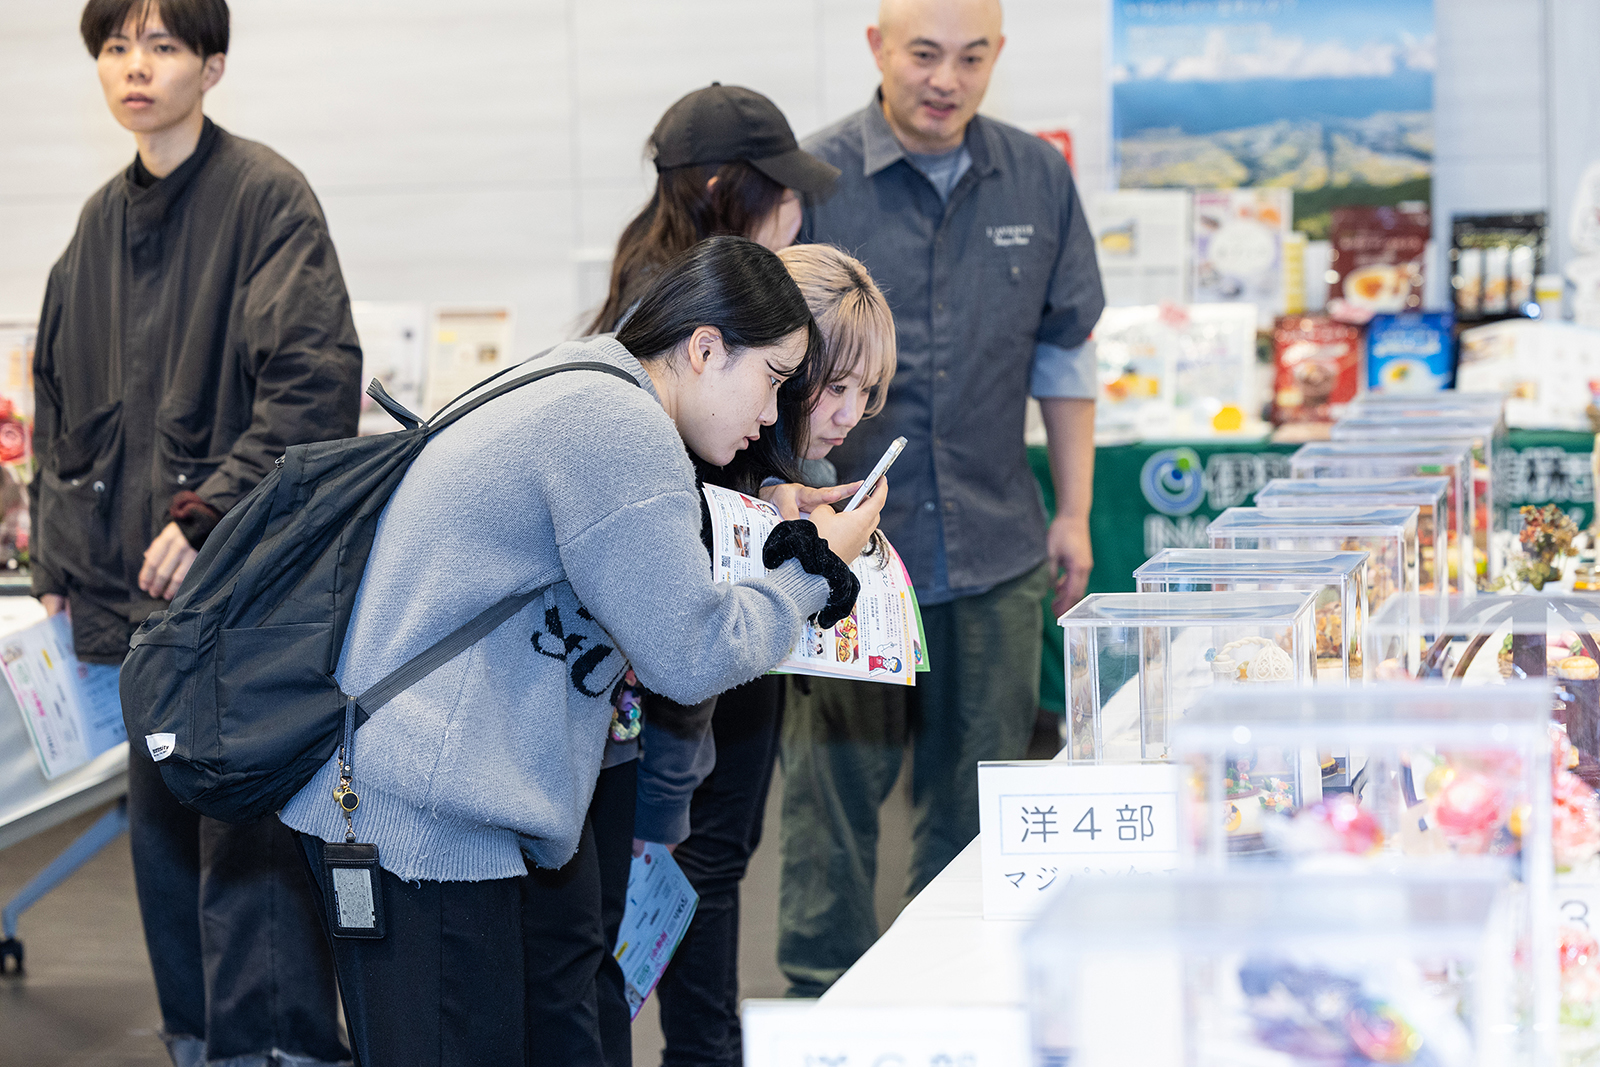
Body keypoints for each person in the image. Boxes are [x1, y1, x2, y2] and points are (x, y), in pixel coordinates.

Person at [278, 236, 885, 1066]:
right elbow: (690, 652)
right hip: (423, 819)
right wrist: (815, 572)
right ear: (706, 348)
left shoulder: (594, 379)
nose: (775, 415)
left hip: (424, 801)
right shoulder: (620, 430)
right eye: (774, 379)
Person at [33, 2, 359, 1064]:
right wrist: (56, 559)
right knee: (163, 841)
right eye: (116, 46)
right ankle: (197, 1042)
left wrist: (208, 508)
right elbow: (60, 405)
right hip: (138, 607)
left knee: (249, 844)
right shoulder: (95, 226)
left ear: (212, 66)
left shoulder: (266, 199)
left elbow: (313, 386)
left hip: (239, 595)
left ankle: (277, 1049)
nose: (135, 66)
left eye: (164, 45)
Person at [778, 0, 1106, 996]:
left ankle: (955, 1001)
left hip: (995, 544)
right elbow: (766, 363)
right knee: (831, 804)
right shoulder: (814, 180)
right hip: (845, 554)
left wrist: (1074, 508)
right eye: (924, 54)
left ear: (997, 57)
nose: (946, 80)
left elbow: (1064, 352)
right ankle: (823, 1006)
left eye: (971, 58)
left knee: (976, 810)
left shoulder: (1037, 176)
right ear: (876, 47)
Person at [537, 84, 842, 1067]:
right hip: (684, 653)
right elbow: (680, 566)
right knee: (688, 869)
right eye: (780, 193)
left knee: (677, 877)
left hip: (680, 646)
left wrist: (777, 496)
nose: (795, 213)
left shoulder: (659, 299)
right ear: (722, 191)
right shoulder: (682, 320)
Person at [652, 243, 896, 1067]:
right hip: (667, 740)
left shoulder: (777, 464)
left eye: (867, 393)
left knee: (721, 858)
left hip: (725, 713)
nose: (849, 414)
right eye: (835, 386)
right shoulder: (690, 447)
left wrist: (779, 501)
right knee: (701, 864)